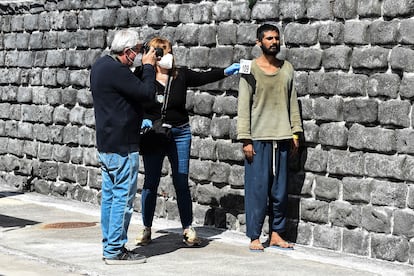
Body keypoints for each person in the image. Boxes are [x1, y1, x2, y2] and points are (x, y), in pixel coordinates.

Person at [134, 37, 240, 246]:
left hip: (179, 132)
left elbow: (203, 77)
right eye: (159, 51)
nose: (164, 55)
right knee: (150, 183)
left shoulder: (179, 75)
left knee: (181, 181)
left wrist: (226, 71)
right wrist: (142, 118)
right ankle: (146, 228)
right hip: (154, 134)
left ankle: (187, 228)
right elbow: (131, 97)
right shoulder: (143, 75)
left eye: (167, 50)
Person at [90, 29, 157, 264]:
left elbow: (126, 89)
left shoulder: (101, 66)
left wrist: (140, 68)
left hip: (107, 143)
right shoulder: (117, 71)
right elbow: (148, 94)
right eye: (138, 51)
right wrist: (148, 67)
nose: (139, 55)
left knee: (109, 197)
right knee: (122, 199)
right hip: (123, 146)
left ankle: (109, 245)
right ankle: (115, 250)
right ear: (127, 52)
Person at [237, 24, 303, 252]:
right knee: (257, 190)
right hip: (258, 138)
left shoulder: (287, 68)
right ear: (259, 42)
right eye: (268, 38)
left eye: (276, 38)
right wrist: (245, 138)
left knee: (280, 190)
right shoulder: (250, 69)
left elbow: (293, 102)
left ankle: (276, 234)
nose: (274, 42)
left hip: (283, 136)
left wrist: (296, 132)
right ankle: (254, 236)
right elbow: (243, 104)